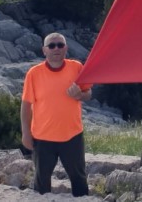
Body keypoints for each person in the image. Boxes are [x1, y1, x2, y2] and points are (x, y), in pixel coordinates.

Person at [21, 32, 93, 197]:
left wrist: (80, 95)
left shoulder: (76, 67)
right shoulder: (34, 73)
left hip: (72, 136)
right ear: (44, 50)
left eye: (60, 45)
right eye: (51, 46)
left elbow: (88, 93)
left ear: (66, 48)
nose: (56, 49)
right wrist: (26, 133)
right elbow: (26, 105)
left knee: (79, 180)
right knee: (41, 181)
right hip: (42, 138)